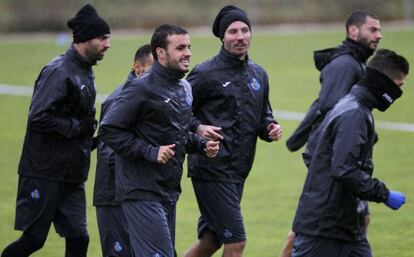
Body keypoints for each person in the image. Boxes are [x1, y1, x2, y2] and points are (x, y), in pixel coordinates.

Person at [99, 24, 220, 257]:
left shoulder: (184, 88)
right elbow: (109, 130)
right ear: (161, 53)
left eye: (189, 47)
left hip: (168, 191)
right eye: (181, 48)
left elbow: (178, 133)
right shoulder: (140, 88)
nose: (188, 53)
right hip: (140, 190)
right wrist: (149, 151)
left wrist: (202, 145)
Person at [1, 4, 110, 257]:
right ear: (84, 39)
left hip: (71, 174)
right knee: (34, 240)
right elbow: (39, 116)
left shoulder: (85, 70)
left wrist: (92, 137)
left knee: (79, 238)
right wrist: (78, 128)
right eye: (102, 38)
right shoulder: (59, 71)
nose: (107, 44)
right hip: (44, 172)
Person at [280, 10, 382, 257]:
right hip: (329, 155)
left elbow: (322, 105)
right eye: (373, 30)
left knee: (358, 218)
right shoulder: (345, 65)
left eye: (379, 30)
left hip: (335, 153)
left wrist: (296, 139)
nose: (378, 35)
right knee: (310, 227)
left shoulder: (354, 61)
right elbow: (328, 108)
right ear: (353, 31)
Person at [184, 5, 283, 257]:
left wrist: (270, 128)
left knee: (210, 241)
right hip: (211, 169)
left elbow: (264, 116)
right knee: (236, 242)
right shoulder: (205, 73)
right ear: (222, 37)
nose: (240, 36)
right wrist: (198, 127)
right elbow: (177, 112)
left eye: (245, 30)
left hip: (239, 171)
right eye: (233, 31)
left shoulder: (259, 74)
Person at [291, 49, 408, 257]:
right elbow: (344, 170)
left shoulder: (355, 106)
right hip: (325, 228)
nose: (399, 94)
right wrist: (384, 194)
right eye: (398, 87)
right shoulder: (354, 114)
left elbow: (314, 153)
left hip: (346, 224)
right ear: (384, 83)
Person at [93, 44, 153, 257]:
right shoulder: (120, 100)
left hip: (138, 193)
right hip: (114, 196)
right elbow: (110, 151)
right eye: (152, 70)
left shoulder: (148, 98)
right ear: (138, 68)